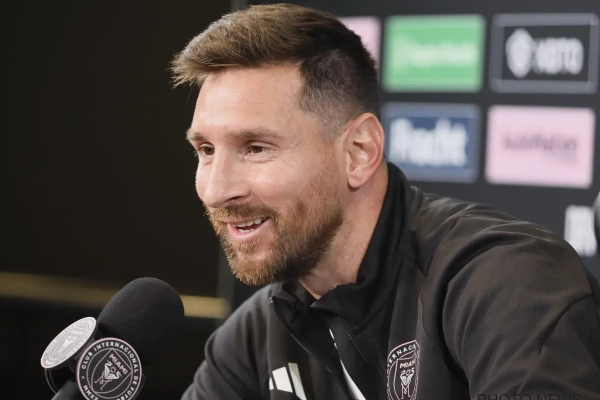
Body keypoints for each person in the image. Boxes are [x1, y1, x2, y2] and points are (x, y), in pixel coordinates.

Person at [171, 4, 600, 399]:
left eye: (256, 148)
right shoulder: (254, 337)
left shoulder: (501, 281)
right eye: (205, 150)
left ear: (359, 152)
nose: (215, 190)